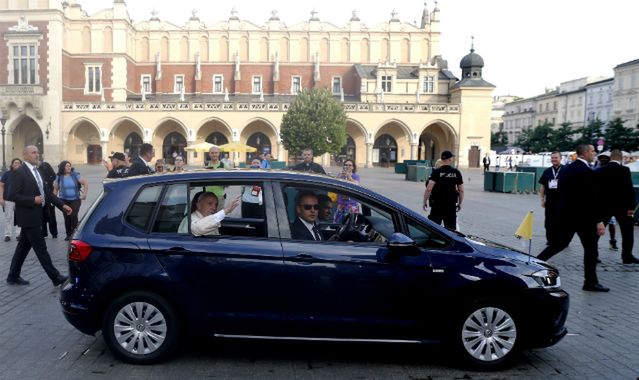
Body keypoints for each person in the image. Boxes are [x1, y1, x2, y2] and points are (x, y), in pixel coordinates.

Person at [537, 144, 608, 292]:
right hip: (585, 218)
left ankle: (534, 263)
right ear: (586, 153)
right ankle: (590, 282)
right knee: (591, 249)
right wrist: (599, 220)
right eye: (593, 151)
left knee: (558, 244)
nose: (594, 154)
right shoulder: (587, 172)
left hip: (567, 216)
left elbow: (561, 192)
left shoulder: (567, 169)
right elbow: (592, 199)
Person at [6, 145, 72, 286]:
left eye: (38, 152)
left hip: (39, 215)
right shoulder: (20, 172)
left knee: (22, 248)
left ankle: (12, 275)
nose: (37, 155)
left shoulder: (38, 171)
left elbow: (47, 192)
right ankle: (55, 277)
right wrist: (32, 200)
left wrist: (62, 205)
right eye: (34, 152)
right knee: (41, 249)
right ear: (25, 156)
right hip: (28, 217)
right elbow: (11, 195)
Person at [595, 149, 638, 264]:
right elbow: (629, 190)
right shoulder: (624, 170)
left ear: (610, 157)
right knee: (627, 232)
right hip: (622, 207)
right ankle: (627, 256)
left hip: (604, 207)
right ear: (621, 158)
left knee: (597, 232)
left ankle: (593, 255)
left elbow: (597, 191)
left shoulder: (600, 171)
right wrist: (631, 208)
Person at [422, 150, 464, 230]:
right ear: (450, 159)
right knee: (451, 230)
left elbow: (429, 189)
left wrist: (425, 201)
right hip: (450, 205)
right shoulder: (456, 172)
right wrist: (460, 203)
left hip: (437, 205)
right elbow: (461, 190)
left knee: (433, 228)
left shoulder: (436, 172)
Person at [53, 161, 88, 241]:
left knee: (73, 216)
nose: (69, 167)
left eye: (69, 166)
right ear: (62, 167)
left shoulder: (75, 175)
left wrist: (84, 194)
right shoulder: (59, 177)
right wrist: (53, 200)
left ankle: (76, 234)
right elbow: (55, 189)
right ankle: (69, 234)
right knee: (67, 217)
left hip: (75, 199)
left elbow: (85, 183)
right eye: (66, 166)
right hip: (63, 200)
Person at [538, 151, 563, 246]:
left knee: (561, 221)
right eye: (552, 158)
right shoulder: (547, 171)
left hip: (562, 201)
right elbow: (543, 186)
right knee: (549, 221)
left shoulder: (566, 170)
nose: (554, 159)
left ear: (560, 158)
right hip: (550, 201)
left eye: (556, 157)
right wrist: (542, 199)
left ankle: (562, 239)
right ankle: (550, 239)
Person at [0, 158, 23, 242]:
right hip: (8, 199)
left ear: (21, 164)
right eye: (15, 163)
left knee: (19, 217)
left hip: (19, 199)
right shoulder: (7, 174)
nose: (17, 164)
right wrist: (1, 198)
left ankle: (19, 234)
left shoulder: (23, 174)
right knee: (8, 218)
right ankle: (7, 235)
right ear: (12, 164)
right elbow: (1, 186)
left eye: (18, 163)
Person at [333, 159, 361, 223]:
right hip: (341, 204)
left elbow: (356, 185)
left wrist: (349, 177)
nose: (348, 166)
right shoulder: (340, 175)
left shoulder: (355, 176)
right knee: (338, 224)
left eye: (350, 165)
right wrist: (340, 176)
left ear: (353, 167)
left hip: (352, 205)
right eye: (346, 165)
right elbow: (335, 185)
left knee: (351, 225)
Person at [39, 159, 58, 239]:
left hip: (49, 192)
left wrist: (47, 182)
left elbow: (54, 175)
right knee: (42, 214)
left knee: (51, 214)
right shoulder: (33, 168)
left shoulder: (46, 165)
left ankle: (54, 233)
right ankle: (44, 233)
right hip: (39, 193)